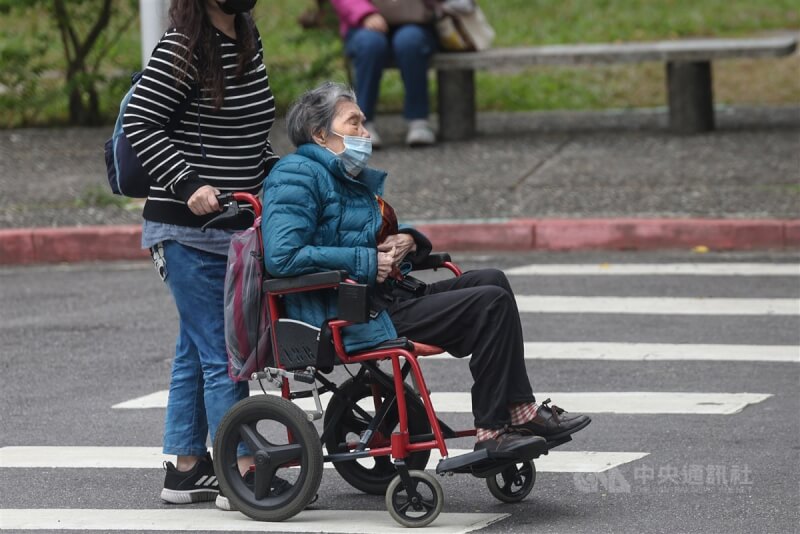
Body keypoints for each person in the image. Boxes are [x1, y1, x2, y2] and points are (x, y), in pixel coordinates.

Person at [261, 82, 591, 453]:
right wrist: (366, 260)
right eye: (354, 123)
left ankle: (519, 408)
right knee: (488, 303)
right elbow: (283, 256)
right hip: (346, 315)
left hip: (384, 297)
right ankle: (492, 430)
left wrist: (409, 242)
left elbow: (366, 237)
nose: (365, 133)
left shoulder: (344, 177)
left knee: (492, 280)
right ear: (321, 134)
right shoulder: (296, 175)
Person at [122, 0, 278, 508]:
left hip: (234, 228)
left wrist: (288, 174)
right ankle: (240, 470)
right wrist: (187, 183)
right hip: (185, 231)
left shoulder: (245, 44)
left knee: (198, 347)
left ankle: (186, 468)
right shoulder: (181, 48)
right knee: (225, 354)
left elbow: (250, 136)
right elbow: (142, 123)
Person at [329, 0, 438, 147]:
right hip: (362, 23)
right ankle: (361, 122)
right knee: (370, 44)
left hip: (415, 21)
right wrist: (364, 14)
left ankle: (419, 120)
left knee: (410, 42)